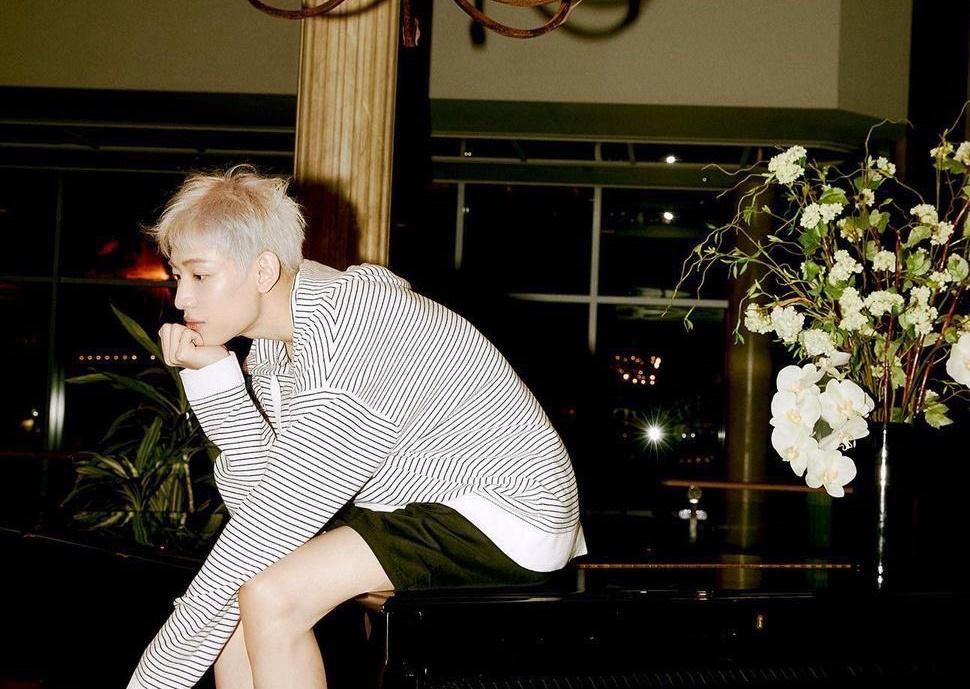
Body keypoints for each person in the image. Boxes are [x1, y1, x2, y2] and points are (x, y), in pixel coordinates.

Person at [126, 166, 587, 689]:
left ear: (262, 270)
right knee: (237, 610)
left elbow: (270, 528)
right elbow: (259, 499)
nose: (181, 299)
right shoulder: (277, 349)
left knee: (272, 598)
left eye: (199, 275)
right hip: (427, 505)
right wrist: (214, 376)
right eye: (178, 276)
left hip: (509, 511)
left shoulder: (351, 331)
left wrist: (152, 681)